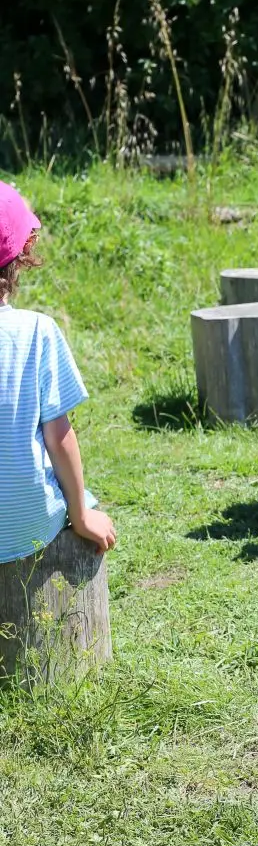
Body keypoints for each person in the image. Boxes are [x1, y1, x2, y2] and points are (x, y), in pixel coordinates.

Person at [0, 181, 116, 563]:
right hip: (26, 526)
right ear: (22, 254)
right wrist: (81, 515)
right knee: (78, 494)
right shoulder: (37, 331)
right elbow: (59, 436)